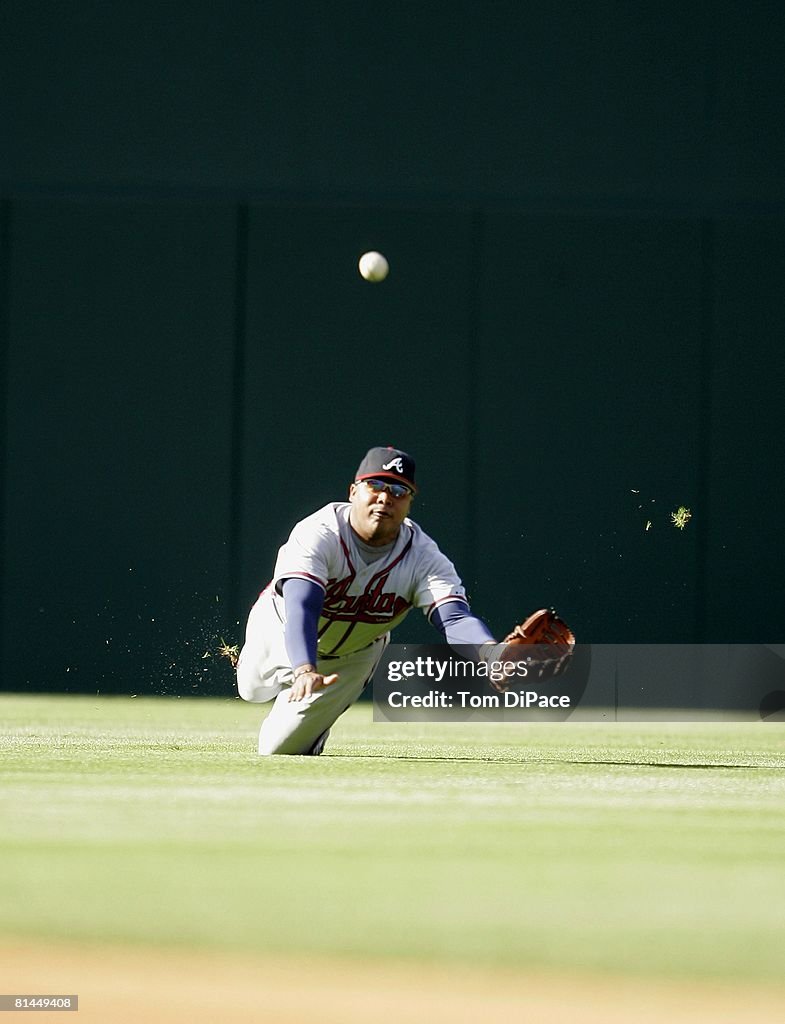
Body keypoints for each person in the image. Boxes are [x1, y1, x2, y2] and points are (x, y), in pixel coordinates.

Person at [236, 446, 495, 755]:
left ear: (410, 502)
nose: (386, 497)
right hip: (281, 627)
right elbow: (302, 606)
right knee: (250, 690)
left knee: (276, 750)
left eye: (400, 490)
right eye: (376, 485)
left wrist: (490, 654)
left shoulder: (424, 558)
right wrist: (304, 669)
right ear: (353, 491)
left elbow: (453, 618)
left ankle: (314, 731)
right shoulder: (320, 532)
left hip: (351, 657)